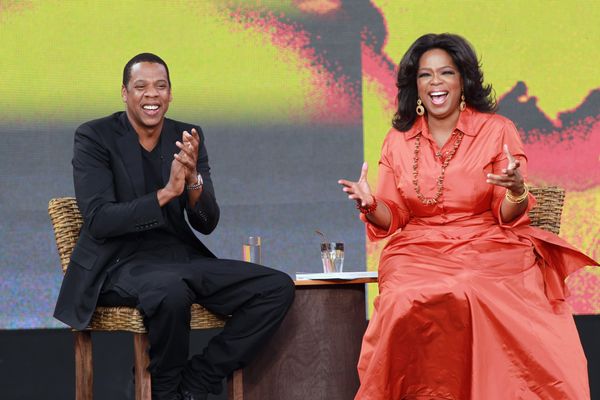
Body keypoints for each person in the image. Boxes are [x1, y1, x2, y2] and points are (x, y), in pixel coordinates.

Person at [338, 33, 597, 400]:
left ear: (464, 81)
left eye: (446, 73)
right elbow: (393, 217)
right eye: (425, 75)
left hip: (487, 241)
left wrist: (516, 190)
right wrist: (368, 203)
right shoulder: (398, 139)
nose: (436, 83)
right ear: (415, 85)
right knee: (401, 299)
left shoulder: (497, 130)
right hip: (417, 248)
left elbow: (506, 215)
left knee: (468, 287)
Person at [53, 53, 295, 400]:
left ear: (170, 94)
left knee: (275, 287)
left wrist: (194, 178)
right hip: (117, 262)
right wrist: (166, 194)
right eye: (141, 86)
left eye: (160, 86)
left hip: (177, 258)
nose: (152, 94)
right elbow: (100, 220)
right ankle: (165, 391)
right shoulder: (95, 136)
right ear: (124, 93)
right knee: (170, 290)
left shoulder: (186, 136)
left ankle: (198, 378)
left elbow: (206, 223)